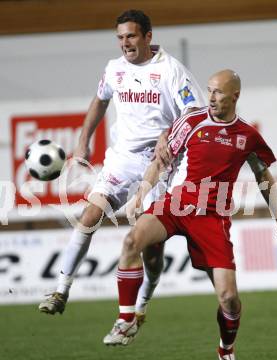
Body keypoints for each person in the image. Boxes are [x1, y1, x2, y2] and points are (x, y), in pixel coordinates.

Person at [103, 69, 277, 360]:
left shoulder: (247, 135)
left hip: (212, 218)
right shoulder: (192, 122)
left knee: (229, 299)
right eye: (210, 91)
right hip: (176, 204)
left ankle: (227, 351)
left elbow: (263, 176)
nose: (212, 97)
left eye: (219, 92)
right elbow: (160, 160)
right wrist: (140, 194)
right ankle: (126, 319)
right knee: (131, 242)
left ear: (235, 96)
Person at [38, 9, 205, 315]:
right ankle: (60, 292)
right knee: (89, 216)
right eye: (120, 37)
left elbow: (195, 113)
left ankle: (141, 304)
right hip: (122, 160)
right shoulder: (114, 69)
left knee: (151, 249)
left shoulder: (171, 70)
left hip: (159, 166)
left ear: (148, 36)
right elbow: (100, 99)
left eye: (131, 36)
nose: (125, 43)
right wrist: (83, 139)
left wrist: (167, 134)